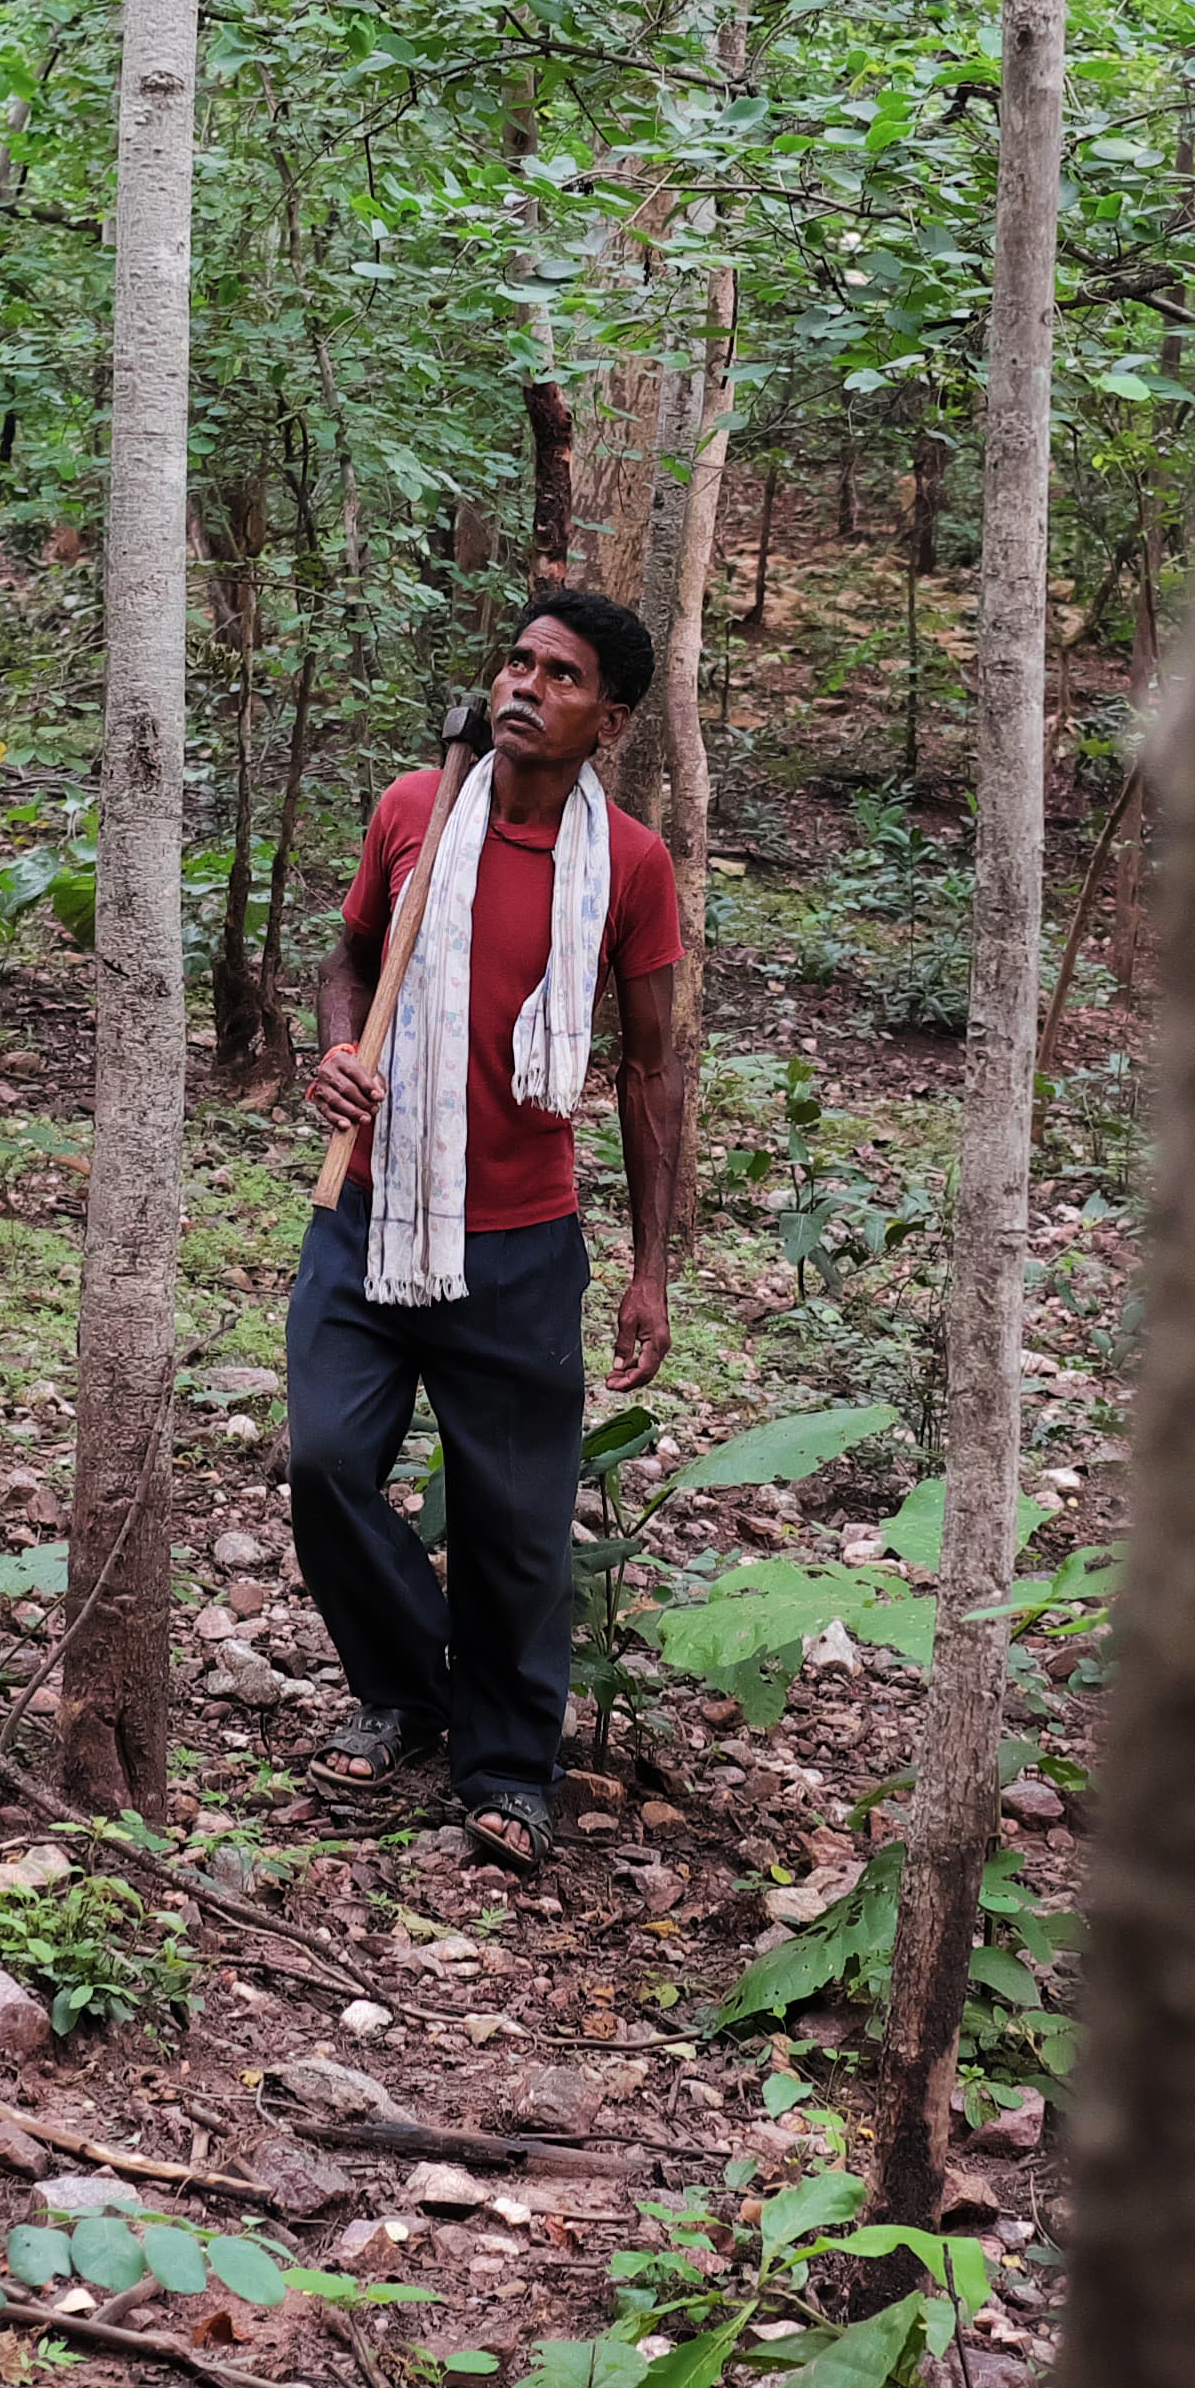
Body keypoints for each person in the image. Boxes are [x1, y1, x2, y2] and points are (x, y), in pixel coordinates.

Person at [283, 589, 686, 1875]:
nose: (524, 685)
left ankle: (509, 1770)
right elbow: (351, 953)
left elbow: (651, 1067)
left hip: (519, 1241)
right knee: (326, 1464)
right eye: (516, 663)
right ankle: (409, 1689)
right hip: (369, 1214)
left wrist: (651, 1267)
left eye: (559, 675)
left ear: (607, 720)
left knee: (515, 1526)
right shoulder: (418, 807)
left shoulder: (628, 865)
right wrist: (342, 1044)